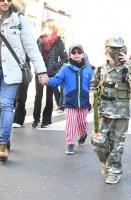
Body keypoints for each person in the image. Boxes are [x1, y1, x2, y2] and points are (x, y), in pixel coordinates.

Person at [0, 0, 49, 160]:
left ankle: (3, 142)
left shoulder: (19, 20)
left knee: (6, 104)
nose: (5, 2)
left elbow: (31, 47)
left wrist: (41, 70)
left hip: (12, 70)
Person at [90, 36, 131, 184]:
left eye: (121, 49)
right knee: (97, 142)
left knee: (116, 145)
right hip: (102, 113)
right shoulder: (100, 69)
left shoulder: (127, 68)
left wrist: (130, 63)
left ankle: (115, 171)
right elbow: (93, 85)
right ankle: (107, 162)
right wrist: (91, 95)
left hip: (121, 114)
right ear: (106, 52)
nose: (118, 52)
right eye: (114, 49)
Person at [47, 44, 93, 155]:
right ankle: (70, 143)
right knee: (70, 122)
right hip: (70, 101)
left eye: (79, 52)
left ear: (83, 54)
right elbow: (57, 80)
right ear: (70, 55)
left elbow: (94, 85)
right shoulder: (65, 68)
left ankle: (83, 134)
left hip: (84, 101)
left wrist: (94, 97)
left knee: (82, 122)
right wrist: (47, 81)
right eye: (74, 52)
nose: (76, 54)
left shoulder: (88, 70)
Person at [32, 18, 68, 128]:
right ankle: (36, 119)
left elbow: (65, 58)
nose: (48, 29)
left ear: (54, 28)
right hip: (40, 72)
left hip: (52, 73)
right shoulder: (40, 39)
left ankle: (46, 121)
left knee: (49, 97)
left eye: (50, 27)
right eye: (46, 26)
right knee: (38, 95)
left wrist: (55, 66)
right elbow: (34, 54)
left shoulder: (58, 42)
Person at [12, 56, 31, 128]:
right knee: (11, 96)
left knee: (20, 95)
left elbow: (33, 55)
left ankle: (18, 120)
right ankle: (22, 113)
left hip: (24, 70)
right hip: (11, 70)